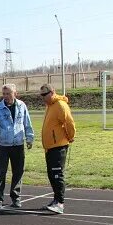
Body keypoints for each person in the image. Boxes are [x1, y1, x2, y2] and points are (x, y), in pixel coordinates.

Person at [0, 83, 34, 209]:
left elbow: (27, 123)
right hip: (3, 145)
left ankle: (16, 197)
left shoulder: (22, 106)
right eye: (4, 94)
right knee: (1, 173)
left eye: (8, 93)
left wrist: (29, 138)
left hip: (18, 144)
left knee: (18, 172)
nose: (6, 96)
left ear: (15, 93)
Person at [39, 84, 76, 214]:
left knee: (56, 174)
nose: (43, 97)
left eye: (45, 94)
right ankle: (56, 200)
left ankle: (60, 203)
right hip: (50, 147)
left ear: (53, 92)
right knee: (51, 174)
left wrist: (71, 136)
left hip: (58, 146)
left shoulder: (60, 105)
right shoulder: (49, 106)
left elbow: (69, 122)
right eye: (42, 95)